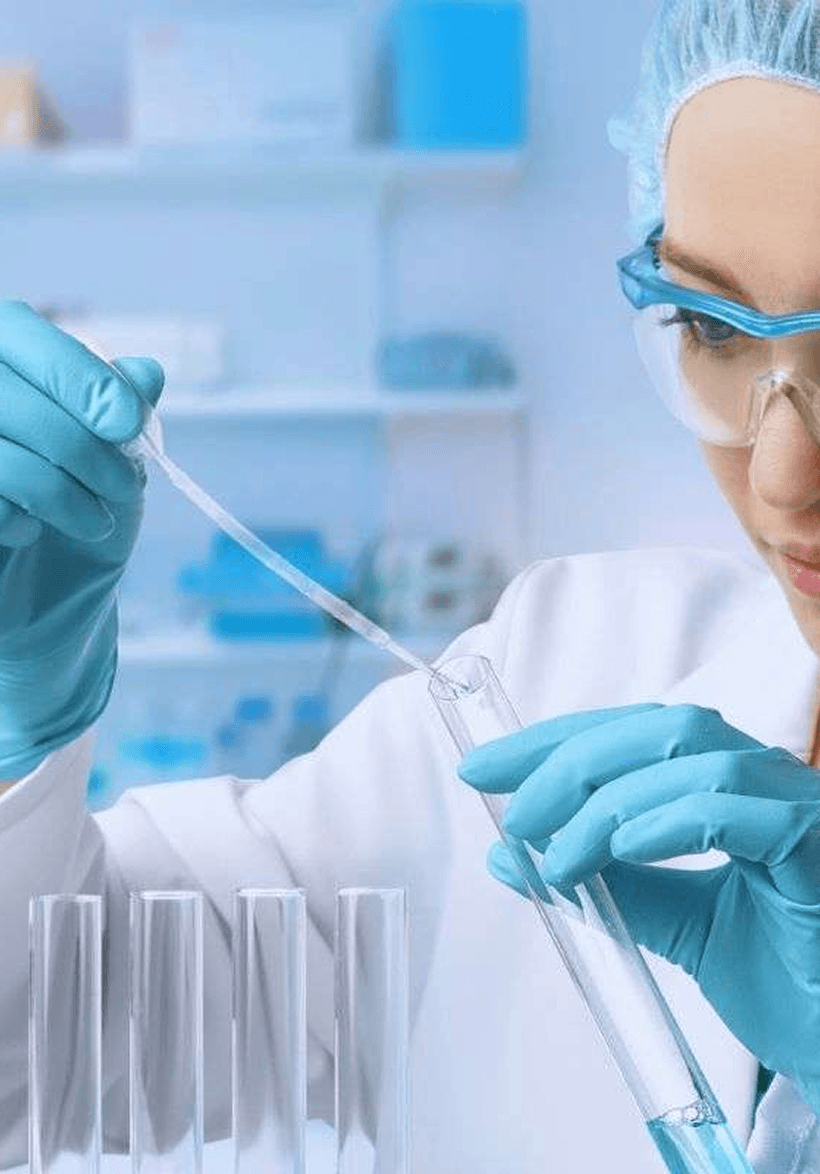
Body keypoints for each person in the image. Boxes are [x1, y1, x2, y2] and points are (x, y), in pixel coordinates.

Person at [1, 0, 820, 1170]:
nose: (782, 475)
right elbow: (62, 1052)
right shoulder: (568, 665)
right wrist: (15, 730)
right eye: (710, 324)